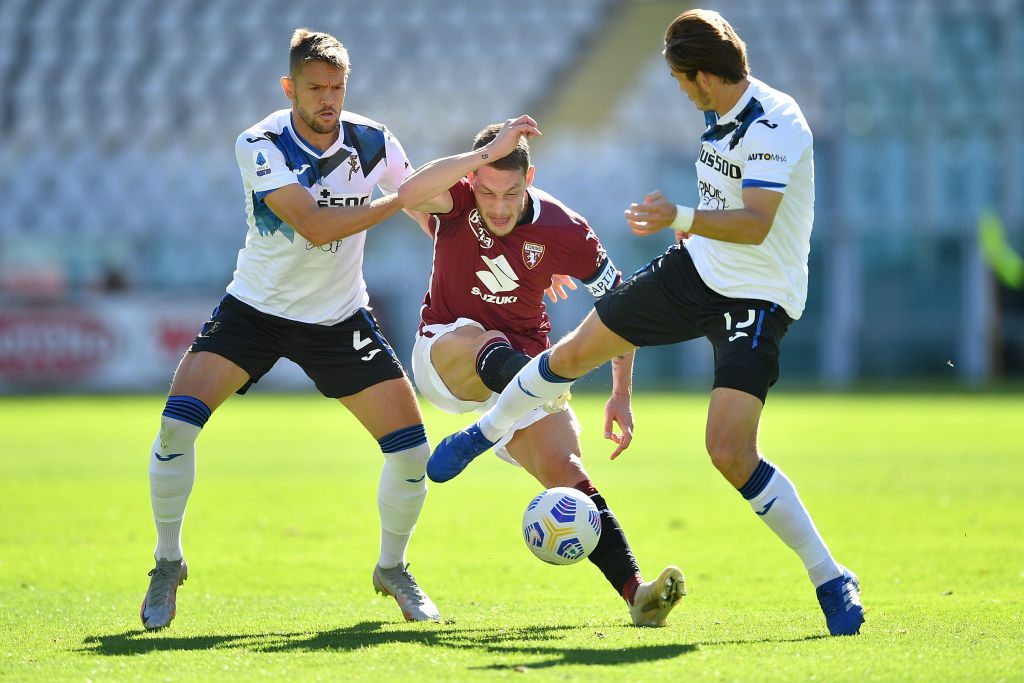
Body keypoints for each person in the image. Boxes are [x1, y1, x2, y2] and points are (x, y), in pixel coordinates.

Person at [428, 10, 865, 637]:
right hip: (696, 272)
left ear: (706, 77)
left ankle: (829, 575)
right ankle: (485, 432)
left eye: (684, 81)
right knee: (578, 350)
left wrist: (677, 214)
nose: (681, 93)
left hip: (758, 297)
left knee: (730, 451)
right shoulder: (719, 111)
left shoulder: (777, 123)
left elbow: (757, 222)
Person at [140, 28, 439, 630]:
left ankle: (392, 567)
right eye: (315, 88)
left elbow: (427, 209)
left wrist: (460, 246)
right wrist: (401, 199)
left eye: (337, 87)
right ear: (290, 88)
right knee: (176, 426)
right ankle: (168, 561)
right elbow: (314, 225)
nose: (328, 99)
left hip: (337, 318)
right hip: (254, 311)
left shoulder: (374, 139)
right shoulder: (261, 142)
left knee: (412, 453)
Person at [396, 118, 685, 627]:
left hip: (524, 373)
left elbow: (618, 309)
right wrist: (477, 160)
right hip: (448, 358)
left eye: (511, 192)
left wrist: (621, 393)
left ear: (530, 179)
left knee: (570, 475)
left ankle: (636, 595)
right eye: (487, 191)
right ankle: (498, 420)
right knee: (493, 343)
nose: (499, 206)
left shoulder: (566, 230)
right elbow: (407, 192)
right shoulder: (457, 198)